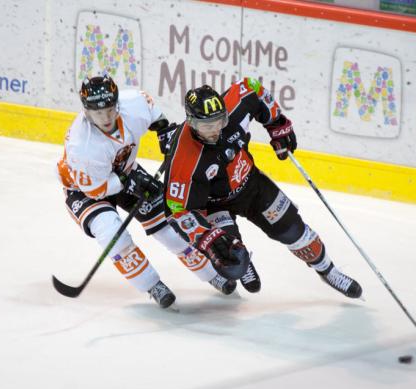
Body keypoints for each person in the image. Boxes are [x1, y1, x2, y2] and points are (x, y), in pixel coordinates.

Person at [161, 78, 362, 299]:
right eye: (207, 126)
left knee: (294, 232)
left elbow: (252, 87)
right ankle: (244, 257)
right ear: (191, 122)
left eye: (219, 122)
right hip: (214, 205)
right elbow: (177, 209)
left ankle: (328, 270)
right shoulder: (183, 159)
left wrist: (276, 122)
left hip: (251, 185)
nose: (215, 131)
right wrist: (206, 237)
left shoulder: (234, 107)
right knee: (230, 254)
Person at [56, 74, 236, 309]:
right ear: (87, 111)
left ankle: (212, 273)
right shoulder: (82, 145)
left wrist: (164, 133)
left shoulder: (134, 104)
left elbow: (154, 114)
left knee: (171, 227)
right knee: (112, 233)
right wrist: (131, 182)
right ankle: (152, 285)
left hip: (126, 171)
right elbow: (97, 189)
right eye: (98, 113)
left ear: (117, 102)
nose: (106, 118)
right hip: (84, 190)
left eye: (110, 109)